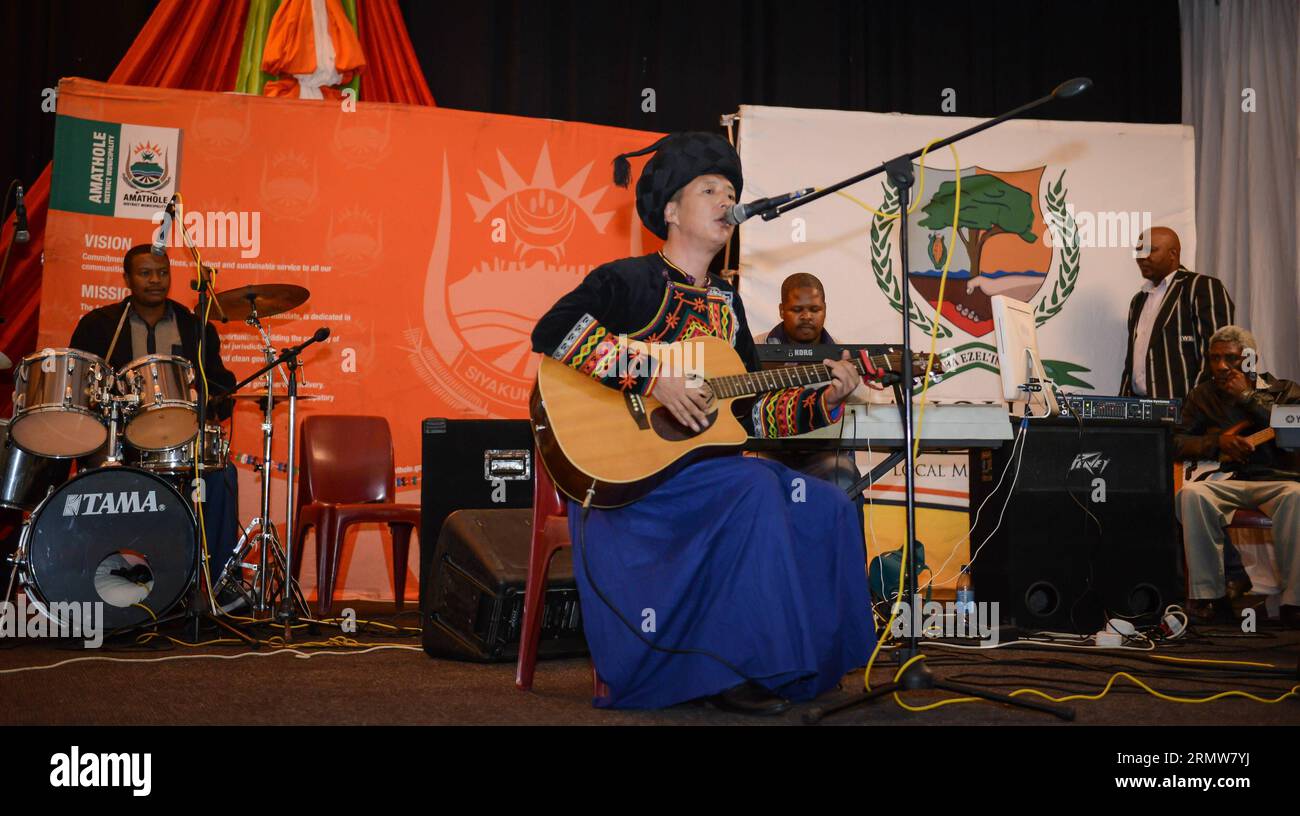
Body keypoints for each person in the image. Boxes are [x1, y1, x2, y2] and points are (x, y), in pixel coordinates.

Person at [530, 132, 875, 711]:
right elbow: (552, 331)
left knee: (830, 503)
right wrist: (648, 376)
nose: (726, 199)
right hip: (633, 485)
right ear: (670, 211)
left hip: (705, 479)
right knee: (756, 487)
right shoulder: (628, 280)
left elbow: (751, 411)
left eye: (732, 191)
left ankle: (806, 665)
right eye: (709, 188)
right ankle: (734, 670)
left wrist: (826, 395)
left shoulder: (727, 301)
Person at [70, 245, 240, 594]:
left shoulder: (195, 327)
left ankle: (219, 586)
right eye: (145, 273)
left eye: (162, 273)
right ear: (127, 279)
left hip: (179, 446)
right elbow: (80, 389)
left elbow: (219, 384)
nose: (155, 280)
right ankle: (95, 582)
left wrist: (211, 400)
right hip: (120, 445)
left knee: (223, 475)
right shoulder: (99, 325)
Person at [1173, 326, 1300, 628]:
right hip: (1225, 481)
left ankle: (1295, 602)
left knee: (1296, 496)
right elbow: (1175, 442)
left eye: (1229, 358)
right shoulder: (1202, 396)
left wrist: (1246, 395)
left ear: (1250, 359)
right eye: (1214, 358)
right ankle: (1209, 597)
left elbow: (1292, 433)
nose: (1219, 366)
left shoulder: (1284, 391)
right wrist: (1216, 443)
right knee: (1192, 495)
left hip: (1276, 480)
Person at [1120, 227, 1234, 399]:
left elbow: (1218, 355)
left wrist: (1195, 407)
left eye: (1151, 250)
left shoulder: (1202, 287)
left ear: (1173, 254)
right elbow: (1132, 363)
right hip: (1139, 411)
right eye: (1138, 250)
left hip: (1186, 413)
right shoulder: (1138, 301)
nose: (1142, 257)